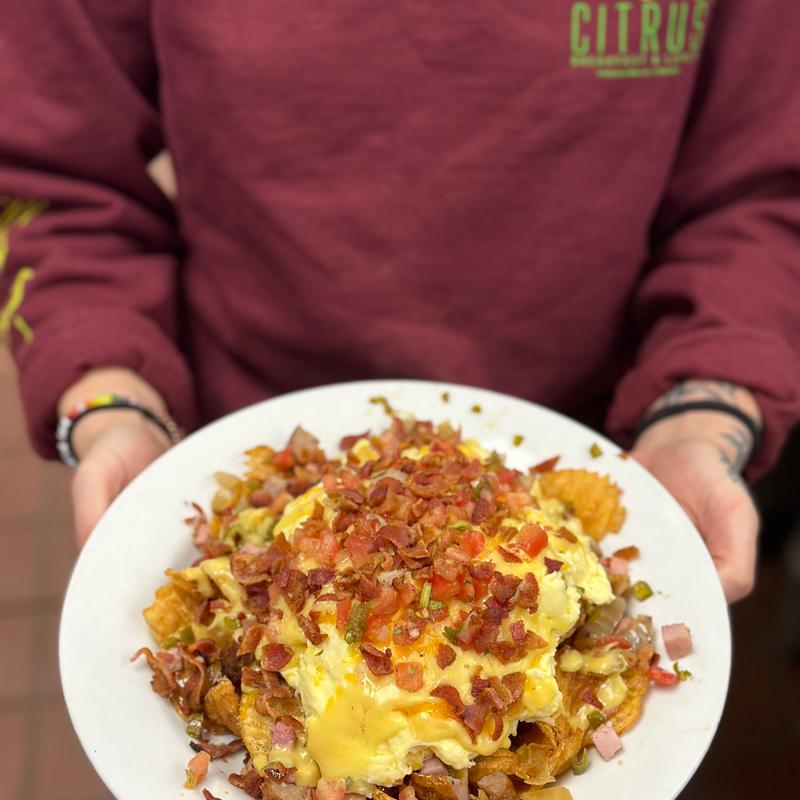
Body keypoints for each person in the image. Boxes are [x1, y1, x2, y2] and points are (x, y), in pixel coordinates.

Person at [1, 1, 798, 603]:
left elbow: (764, 187)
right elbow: (53, 171)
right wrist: (113, 399)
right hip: (235, 449)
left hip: (603, 456)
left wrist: (704, 407)